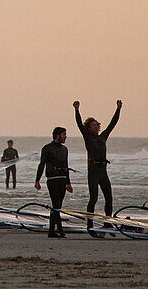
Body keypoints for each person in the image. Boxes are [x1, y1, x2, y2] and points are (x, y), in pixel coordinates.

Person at [74, 99, 122, 234]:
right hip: (93, 172)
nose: (96, 127)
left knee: (109, 198)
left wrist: (118, 109)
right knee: (93, 198)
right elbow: (79, 124)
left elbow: (113, 124)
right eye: (93, 125)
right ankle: (89, 225)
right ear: (89, 127)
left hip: (103, 171)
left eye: (97, 125)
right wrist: (77, 110)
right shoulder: (87, 137)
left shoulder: (103, 137)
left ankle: (108, 223)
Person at [34, 127, 73, 238]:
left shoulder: (64, 149)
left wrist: (68, 183)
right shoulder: (47, 148)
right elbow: (41, 164)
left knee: (58, 206)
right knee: (56, 205)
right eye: (64, 134)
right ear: (57, 135)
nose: (66, 136)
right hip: (52, 179)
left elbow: (66, 166)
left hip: (62, 179)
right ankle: (60, 230)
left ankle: (51, 231)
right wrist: (37, 180)